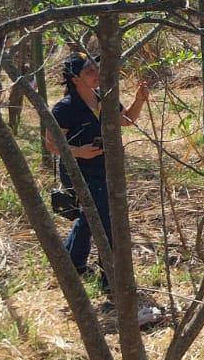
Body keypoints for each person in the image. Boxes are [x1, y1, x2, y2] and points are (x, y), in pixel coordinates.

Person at [46, 53, 150, 296]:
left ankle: (72, 264)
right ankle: (110, 280)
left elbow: (126, 120)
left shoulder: (104, 97)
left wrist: (139, 101)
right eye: (89, 70)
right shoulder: (65, 108)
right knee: (103, 217)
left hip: (105, 168)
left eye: (96, 68)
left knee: (90, 217)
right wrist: (78, 152)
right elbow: (51, 143)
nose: (96, 73)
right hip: (78, 171)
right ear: (75, 79)